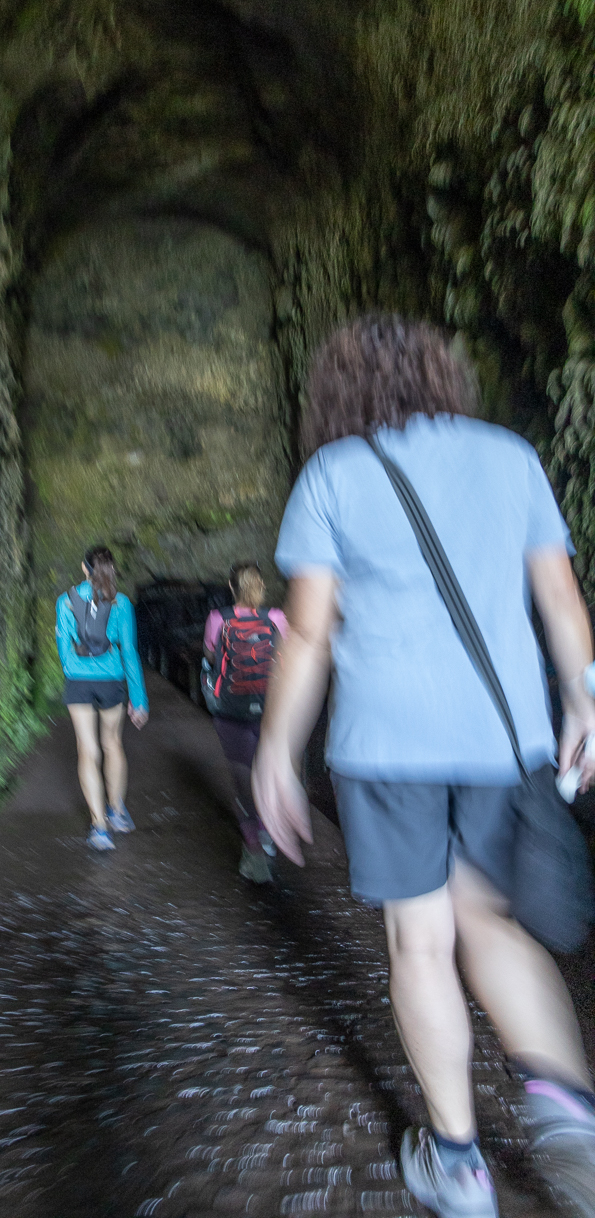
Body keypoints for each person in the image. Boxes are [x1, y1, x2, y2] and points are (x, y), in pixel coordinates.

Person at [252, 315, 595, 1218]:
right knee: (493, 926)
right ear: (445, 377)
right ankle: (572, 1124)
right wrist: (585, 701)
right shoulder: (511, 456)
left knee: (422, 938)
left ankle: (459, 1168)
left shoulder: (332, 474)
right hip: (500, 736)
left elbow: (309, 635)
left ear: (337, 390)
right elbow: (559, 595)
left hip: (387, 746)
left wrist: (276, 755)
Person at [56, 546, 149, 851]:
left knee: (88, 749)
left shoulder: (66, 602)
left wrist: (77, 669)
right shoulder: (121, 603)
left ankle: (99, 828)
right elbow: (130, 653)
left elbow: (64, 652)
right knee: (113, 744)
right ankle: (118, 813)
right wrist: (139, 699)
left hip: (79, 682)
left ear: (85, 568)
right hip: (112, 681)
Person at [203, 562, 287, 883]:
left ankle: (252, 849)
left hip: (231, 710)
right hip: (270, 709)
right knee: (267, 773)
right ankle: (268, 835)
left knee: (242, 780)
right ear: (262, 585)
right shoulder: (276, 618)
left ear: (230, 585)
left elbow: (210, 656)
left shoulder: (217, 619)